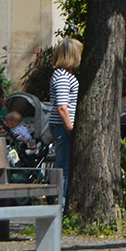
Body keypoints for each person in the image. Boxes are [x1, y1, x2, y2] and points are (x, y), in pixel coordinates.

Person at [48, 37, 82, 204]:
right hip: (63, 127)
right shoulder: (62, 76)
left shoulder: (64, 75)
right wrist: (70, 129)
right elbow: (62, 107)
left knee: (66, 166)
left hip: (63, 126)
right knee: (64, 168)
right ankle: (60, 206)